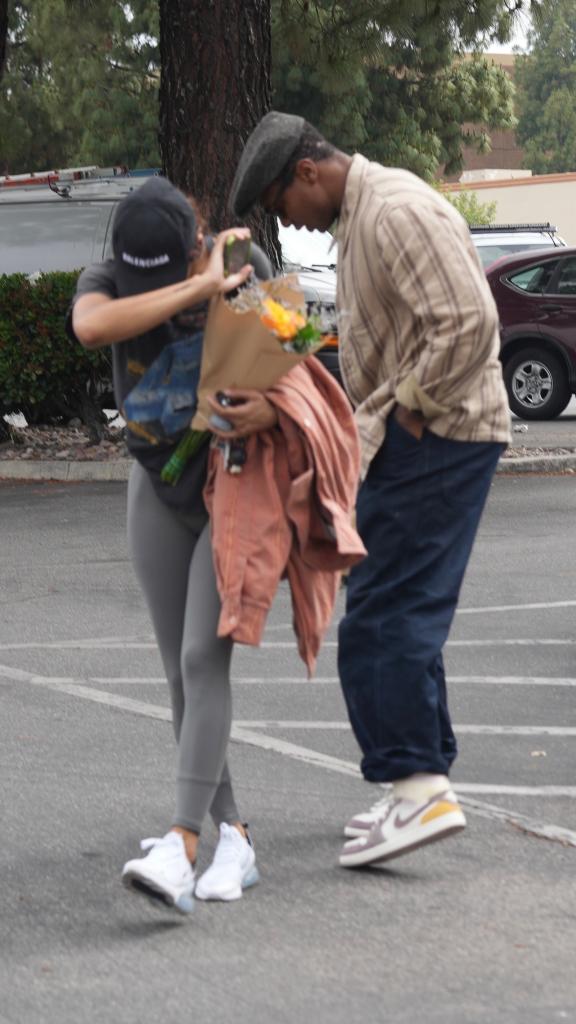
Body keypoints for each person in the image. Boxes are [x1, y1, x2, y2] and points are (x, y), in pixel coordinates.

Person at [230, 111, 511, 870]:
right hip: (418, 437)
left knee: (385, 616)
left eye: (281, 204)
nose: (289, 224)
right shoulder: (361, 218)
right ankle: (414, 782)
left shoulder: (393, 212)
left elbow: (469, 323)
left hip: (440, 436)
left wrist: (411, 412)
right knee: (396, 608)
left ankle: (419, 788)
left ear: (308, 173)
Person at [68, 175, 278, 910]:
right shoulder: (109, 278)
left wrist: (265, 406)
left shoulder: (244, 267)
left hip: (234, 486)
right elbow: (93, 327)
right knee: (177, 674)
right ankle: (235, 838)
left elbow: (299, 363)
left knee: (201, 655)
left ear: (196, 241)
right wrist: (195, 292)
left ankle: (183, 846)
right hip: (157, 485)